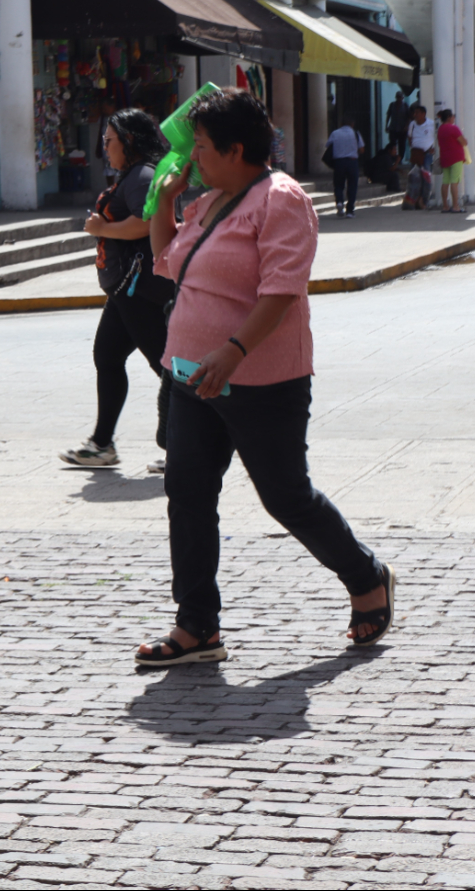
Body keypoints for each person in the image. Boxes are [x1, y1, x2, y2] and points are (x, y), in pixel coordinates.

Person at [139, 87, 394, 667]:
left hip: (260, 380)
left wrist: (232, 351)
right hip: (189, 377)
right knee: (188, 493)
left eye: (201, 148)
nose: (192, 158)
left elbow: (281, 290)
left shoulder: (281, 200)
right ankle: (196, 626)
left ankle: (366, 576)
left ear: (235, 149)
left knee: (285, 497)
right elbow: (165, 264)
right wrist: (164, 203)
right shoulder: (208, 200)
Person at [60, 108, 173, 473]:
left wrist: (101, 229)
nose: (104, 148)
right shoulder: (135, 174)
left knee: (167, 365)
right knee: (107, 356)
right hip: (127, 288)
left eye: (109, 141)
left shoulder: (141, 175)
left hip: (140, 288)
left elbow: (146, 222)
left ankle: (189, 444)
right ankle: (102, 444)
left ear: (129, 141)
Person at [325, 117, 364, 217]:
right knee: (352, 185)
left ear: (341, 123)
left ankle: (339, 202)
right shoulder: (355, 133)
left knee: (338, 184)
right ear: (352, 124)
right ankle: (350, 210)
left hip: (339, 162)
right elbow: (362, 149)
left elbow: (328, 145)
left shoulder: (335, 133)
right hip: (352, 162)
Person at [436, 109, 468, 213]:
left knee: (445, 181)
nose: (454, 117)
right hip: (456, 157)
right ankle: (455, 206)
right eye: (453, 116)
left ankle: (445, 205)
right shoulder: (454, 128)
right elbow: (463, 142)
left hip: (445, 157)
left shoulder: (440, 129)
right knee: (455, 181)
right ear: (449, 117)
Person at [407, 105, 436, 170]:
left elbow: (437, 136)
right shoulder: (412, 124)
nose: (415, 115)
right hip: (415, 153)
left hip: (427, 153)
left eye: (417, 113)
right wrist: (411, 147)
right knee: (414, 175)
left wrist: (434, 148)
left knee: (426, 173)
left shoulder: (431, 124)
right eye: (414, 113)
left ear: (423, 114)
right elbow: (409, 136)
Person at [385, 90, 409, 159]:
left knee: (402, 145)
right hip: (393, 127)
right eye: (398, 97)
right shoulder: (392, 105)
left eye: (400, 97)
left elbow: (408, 117)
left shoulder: (405, 105)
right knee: (392, 144)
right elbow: (388, 115)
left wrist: (406, 126)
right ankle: (392, 158)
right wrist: (386, 125)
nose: (399, 99)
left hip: (402, 129)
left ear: (402, 98)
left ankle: (400, 159)